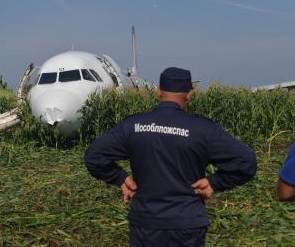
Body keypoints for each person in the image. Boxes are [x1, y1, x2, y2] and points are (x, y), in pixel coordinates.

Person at [84, 67, 257, 247]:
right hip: (187, 225)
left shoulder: (133, 126)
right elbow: (246, 161)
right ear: (189, 94)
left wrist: (120, 178)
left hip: (146, 224)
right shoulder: (203, 129)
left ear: (158, 91)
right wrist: (214, 182)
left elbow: (94, 156)